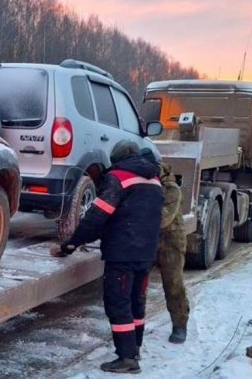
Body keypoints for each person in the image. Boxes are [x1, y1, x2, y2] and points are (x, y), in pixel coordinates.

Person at [50, 141, 163, 374]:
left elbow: (97, 216)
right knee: (136, 301)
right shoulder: (154, 180)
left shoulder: (117, 178)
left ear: (117, 160)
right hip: (146, 253)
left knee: (118, 303)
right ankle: (135, 348)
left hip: (123, 253)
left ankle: (127, 358)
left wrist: (72, 243)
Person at [141, 147, 190, 344]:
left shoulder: (170, 188)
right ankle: (137, 325)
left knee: (173, 284)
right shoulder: (142, 182)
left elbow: (163, 218)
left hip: (170, 242)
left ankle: (180, 325)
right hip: (147, 240)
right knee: (139, 284)